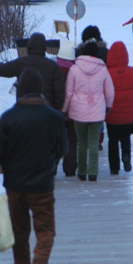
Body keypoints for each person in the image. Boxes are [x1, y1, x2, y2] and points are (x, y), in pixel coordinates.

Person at [0, 68, 68, 264]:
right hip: (42, 186)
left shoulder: (9, 118)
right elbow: (63, 148)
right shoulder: (54, 118)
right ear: (40, 90)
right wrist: (51, 163)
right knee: (46, 230)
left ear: (20, 90)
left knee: (19, 234)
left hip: (16, 186)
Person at [62, 41, 115, 182]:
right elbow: (109, 91)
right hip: (97, 110)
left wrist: (65, 108)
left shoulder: (74, 69)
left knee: (82, 141)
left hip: (78, 110)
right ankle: (93, 172)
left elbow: (68, 92)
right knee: (93, 141)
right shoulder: (103, 69)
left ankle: (82, 171)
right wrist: (108, 106)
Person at [0, 32, 65, 109]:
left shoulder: (21, 63)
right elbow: (59, 93)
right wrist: (57, 111)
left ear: (29, 46)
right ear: (45, 48)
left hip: (24, 110)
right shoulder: (53, 66)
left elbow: (3, 70)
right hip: (47, 112)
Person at [105, 41, 133, 175]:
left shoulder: (107, 73)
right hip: (129, 114)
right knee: (125, 138)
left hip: (112, 114)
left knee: (113, 140)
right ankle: (126, 158)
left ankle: (114, 167)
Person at [56, 39, 78, 177]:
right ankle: (70, 169)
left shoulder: (53, 69)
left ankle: (52, 167)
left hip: (57, 112)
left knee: (56, 140)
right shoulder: (76, 71)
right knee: (72, 141)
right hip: (73, 112)